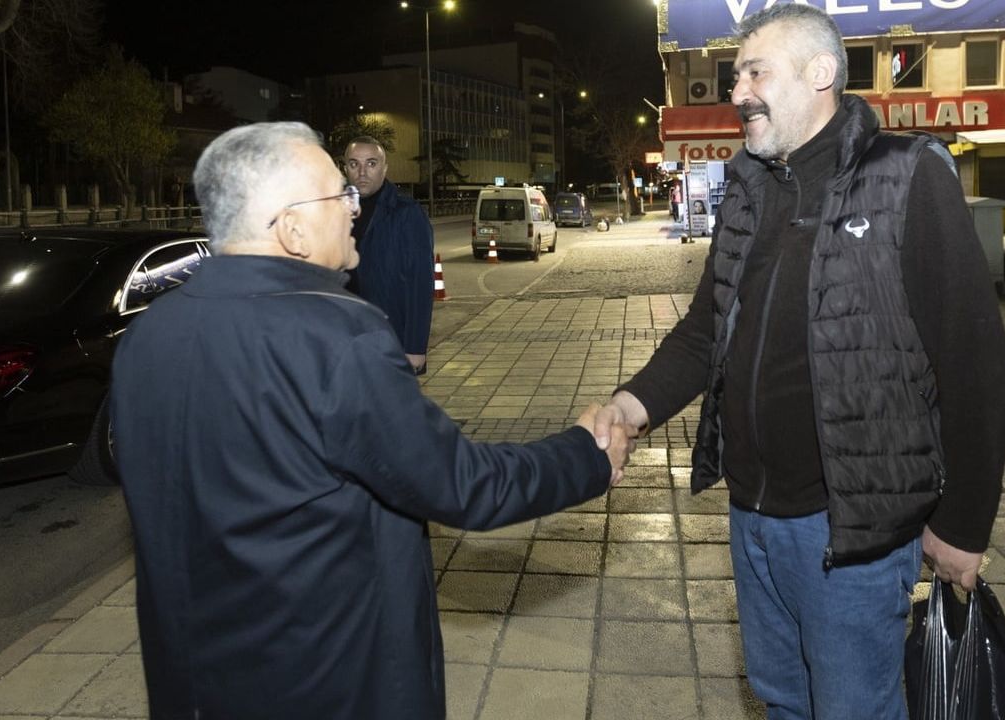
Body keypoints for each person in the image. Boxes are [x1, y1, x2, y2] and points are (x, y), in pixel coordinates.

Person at [110, 122, 632, 720]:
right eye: (339, 195)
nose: (355, 209)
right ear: (293, 228)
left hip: (196, 684)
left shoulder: (148, 333)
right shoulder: (338, 334)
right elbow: (463, 484)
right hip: (329, 681)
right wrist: (586, 455)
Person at [593, 5, 1005, 719]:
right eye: (735, 77)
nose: (737, 91)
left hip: (850, 533)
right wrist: (628, 409)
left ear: (821, 74)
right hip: (752, 516)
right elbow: (706, 332)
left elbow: (977, 366)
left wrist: (963, 527)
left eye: (756, 72)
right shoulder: (750, 191)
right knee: (784, 701)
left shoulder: (907, 176)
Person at [342, 136, 433, 374]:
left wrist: (415, 346)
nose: (362, 172)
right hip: (342, 338)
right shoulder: (333, 210)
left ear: (384, 168)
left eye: (371, 163)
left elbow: (420, 283)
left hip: (389, 338)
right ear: (345, 169)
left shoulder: (406, 213)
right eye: (354, 164)